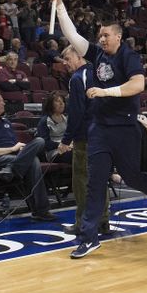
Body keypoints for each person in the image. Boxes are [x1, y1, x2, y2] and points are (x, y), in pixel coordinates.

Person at [54, 0, 147, 259]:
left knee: (131, 176)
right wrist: (60, 7)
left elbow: (138, 85)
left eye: (106, 35)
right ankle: (88, 237)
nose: (101, 39)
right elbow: (73, 37)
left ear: (118, 36)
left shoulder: (128, 57)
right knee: (95, 182)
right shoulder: (97, 55)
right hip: (100, 129)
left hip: (125, 128)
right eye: (100, 36)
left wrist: (107, 92)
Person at [0, 91, 56, 221]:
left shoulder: (6, 123)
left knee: (39, 141)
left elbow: (16, 147)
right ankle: (41, 211)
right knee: (33, 161)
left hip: (16, 157)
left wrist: (20, 149)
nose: (3, 102)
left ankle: (12, 168)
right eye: (0, 100)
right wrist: (12, 149)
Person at [54, 45, 98, 235]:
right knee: (99, 179)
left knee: (81, 181)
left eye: (67, 58)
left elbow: (76, 112)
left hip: (84, 137)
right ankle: (102, 220)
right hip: (100, 135)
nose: (65, 63)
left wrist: (66, 139)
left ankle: (83, 223)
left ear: (79, 55)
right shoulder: (97, 73)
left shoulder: (77, 78)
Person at [35, 91, 67, 161]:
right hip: (53, 152)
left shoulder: (66, 119)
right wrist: (60, 144)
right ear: (51, 104)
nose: (61, 104)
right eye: (57, 101)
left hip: (66, 148)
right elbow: (45, 143)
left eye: (62, 101)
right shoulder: (44, 121)